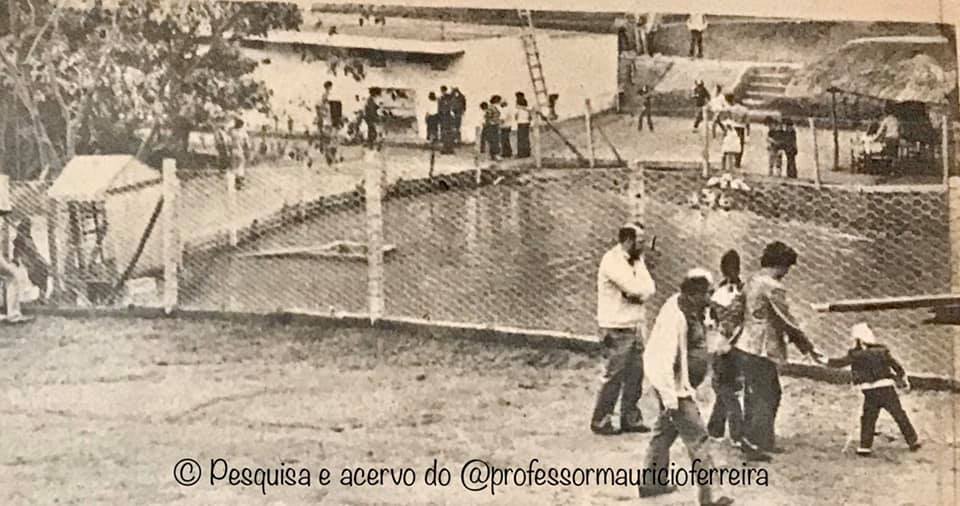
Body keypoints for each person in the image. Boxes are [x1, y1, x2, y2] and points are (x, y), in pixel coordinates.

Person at [639, 268, 734, 506]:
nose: (710, 297)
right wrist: (671, 398)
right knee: (699, 438)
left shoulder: (691, 309)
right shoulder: (675, 316)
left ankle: (652, 482)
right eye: (707, 293)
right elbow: (661, 360)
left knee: (664, 432)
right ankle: (711, 496)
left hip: (680, 385)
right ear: (694, 293)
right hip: (674, 388)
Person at [732, 241, 824, 454]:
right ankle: (760, 441)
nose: (786, 273)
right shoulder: (773, 286)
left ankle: (748, 436)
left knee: (753, 392)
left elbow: (738, 310)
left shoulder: (751, 280)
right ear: (780, 265)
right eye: (787, 268)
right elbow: (787, 320)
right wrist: (807, 346)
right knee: (770, 393)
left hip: (745, 343)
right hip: (762, 347)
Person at [591, 222, 656, 435]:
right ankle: (601, 420)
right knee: (614, 375)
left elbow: (649, 288)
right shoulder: (611, 260)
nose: (644, 245)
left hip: (635, 325)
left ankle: (631, 418)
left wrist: (639, 294)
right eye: (640, 241)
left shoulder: (637, 261)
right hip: (616, 326)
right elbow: (633, 288)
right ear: (628, 240)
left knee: (635, 374)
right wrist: (637, 293)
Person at [705, 251, 771, 461]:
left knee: (725, 387)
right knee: (730, 391)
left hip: (722, 343)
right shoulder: (741, 291)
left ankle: (715, 429)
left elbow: (714, 320)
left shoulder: (717, 293)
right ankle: (737, 434)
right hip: (735, 344)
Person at [822, 323, 920, 456]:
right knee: (899, 414)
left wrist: (824, 360)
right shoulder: (882, 351)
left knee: (868, 418)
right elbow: (897, 366)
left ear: (859, 341)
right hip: (887, 388)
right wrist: (902, 379)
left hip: (870, 391)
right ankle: (912, 440)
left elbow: (839, 363)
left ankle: (865, 446)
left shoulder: (855, 355)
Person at [229, 118, 250, 190]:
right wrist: (248, 151)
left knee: (234, 167)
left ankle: (235, 181)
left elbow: (228, 139)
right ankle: (240, 182)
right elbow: (247, 145)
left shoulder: (232, 131)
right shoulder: (244, 133)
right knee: (241, 166)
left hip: (233, 151)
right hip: (240, 151)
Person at [515, 93, 532, 158]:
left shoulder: (519, 107)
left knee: (521, 139)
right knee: (525, 138)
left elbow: (516, 117)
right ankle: (526, 153)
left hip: (521, 123)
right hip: (526, 123)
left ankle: (521, 154)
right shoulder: (527, 107)